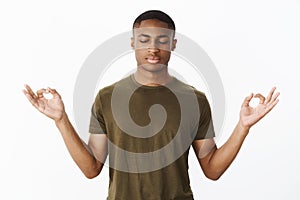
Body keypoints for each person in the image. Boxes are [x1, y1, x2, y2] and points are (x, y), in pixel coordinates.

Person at [23, 10, 280, 200]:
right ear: (133, 43)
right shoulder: (107, 97)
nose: (153, 49)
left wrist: (243, 127)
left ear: (173, 45)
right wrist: (61, 120)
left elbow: (212, 168)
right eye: (144, 40)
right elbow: (91, 168)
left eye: (162, 41)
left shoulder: (195, 100)